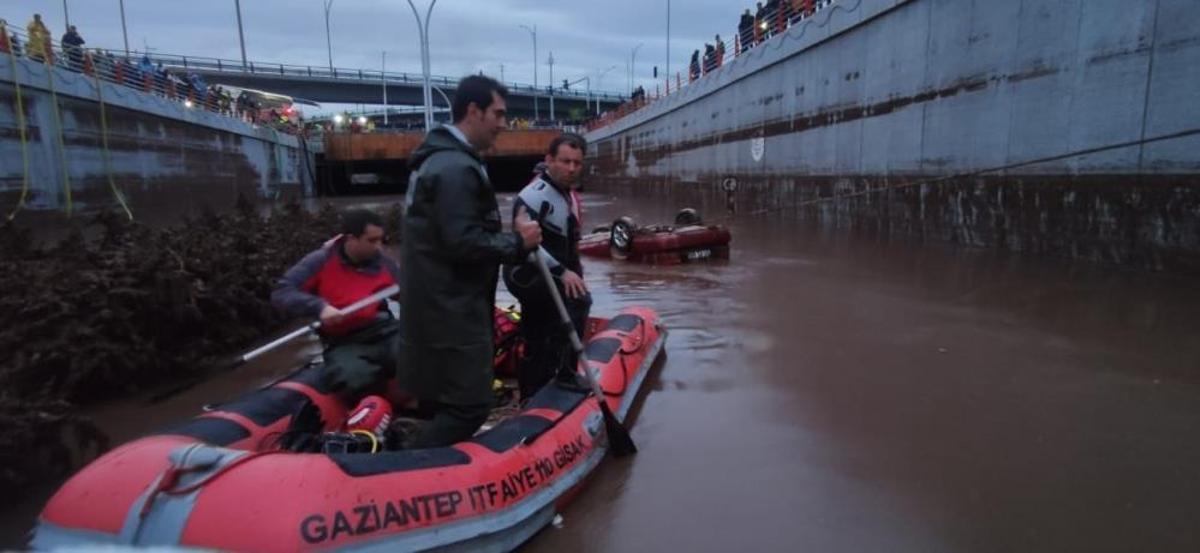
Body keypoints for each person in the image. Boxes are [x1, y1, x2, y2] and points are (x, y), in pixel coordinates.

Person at [400, 75, 542, 448]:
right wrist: (517, 242)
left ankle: (420, 461)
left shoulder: (440, 161)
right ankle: (410, 466)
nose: (503, 124)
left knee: (439, 399)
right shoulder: (454, 169)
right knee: (470, 405)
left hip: (435, 302)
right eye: (498, 114)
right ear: (473, 111)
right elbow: (462, 242)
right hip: (453, 308)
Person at [271, 209, 402, 404]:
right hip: (344, 341)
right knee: (354, 377)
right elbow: (282, 292)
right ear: (351, 239)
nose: (379, 247)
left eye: (381, 240)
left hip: (384, 330)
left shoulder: (384, 263)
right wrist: (319, 307)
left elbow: (407, 295)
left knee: (420, 354)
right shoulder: (320, 261)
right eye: (372, 241)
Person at [502, 134, 591, 400]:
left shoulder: (570, 195)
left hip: (552, 268)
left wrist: (575, 271)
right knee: (571, 306)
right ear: (549, 160)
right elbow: (527, 245)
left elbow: (569, 242)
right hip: (525, 272)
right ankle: (555, 378)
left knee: (564, 308)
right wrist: (563, 273)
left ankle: (556, 374)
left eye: (577, 163)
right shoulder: (532, 196)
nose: (571, 169)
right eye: (565, 161)